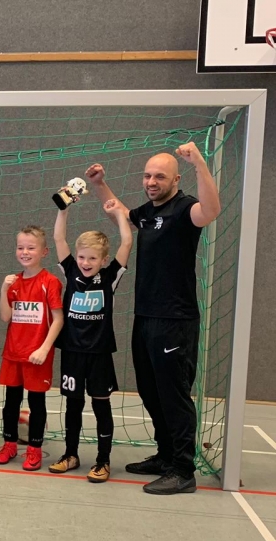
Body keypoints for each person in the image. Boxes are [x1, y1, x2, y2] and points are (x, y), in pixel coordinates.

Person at [86, 143, 220, 494]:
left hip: (175, 319)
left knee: (174, 394)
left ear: (175, 179)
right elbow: (123, 215)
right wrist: (100, 184)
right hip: (146, 316)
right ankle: (165, 455)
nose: (151, 181)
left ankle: (182, 470)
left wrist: (198, 162)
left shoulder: (186, 208)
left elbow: (211, 210)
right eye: (147, 176)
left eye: (160, 176)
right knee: (150, 389)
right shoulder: (149, 211)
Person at [49, 197, 132, 482]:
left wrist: (120, 215)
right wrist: (63, 210)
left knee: (100, 405)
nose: (86, 263)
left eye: (93, 258)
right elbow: (58, 238)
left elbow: (127, 243)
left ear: (104, 261)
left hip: (99, 354)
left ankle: (102, 461)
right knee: (73, 405)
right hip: (72, 351)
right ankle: (70, 454)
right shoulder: (70, 271)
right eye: (82, 257)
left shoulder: (110, 277)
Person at [0, 226, 64, 470]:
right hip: (13, 353)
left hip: (37, 355)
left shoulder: (50, 282)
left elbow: (58, 319)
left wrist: (44, 349)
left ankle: (34, 449)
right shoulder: (13, 282)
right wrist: (3, 290)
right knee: (11, 403)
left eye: (31, 248)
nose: (25, 252)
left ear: (44, 252)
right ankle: (9, 444)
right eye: (20, 247)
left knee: (36, 403)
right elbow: (5, 316)